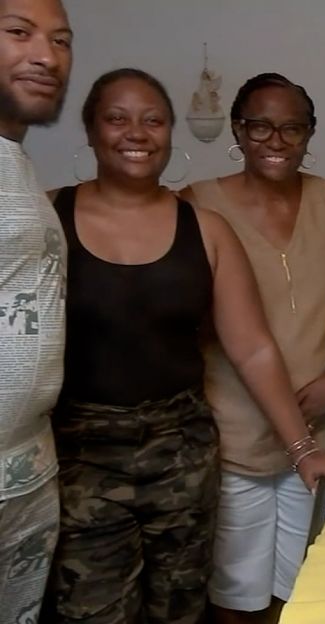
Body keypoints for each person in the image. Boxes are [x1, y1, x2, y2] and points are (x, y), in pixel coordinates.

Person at [45, 68, 325, 624]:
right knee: (91, 610)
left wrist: (302, 450)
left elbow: (252, 348)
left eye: (153, 120)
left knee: (182, 610)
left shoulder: (205, 228)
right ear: (89, 130)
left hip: (182, 452)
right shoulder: (47, 217)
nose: (137, 132)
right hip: (80, 458)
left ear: (169, 133)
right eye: (117, 118)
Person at [181, 72, 325, 624]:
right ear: (237, 130)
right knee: (233, 595)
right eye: (261, 127)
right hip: (233, 431)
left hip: (312, 425)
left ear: (310, 133)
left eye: (292, 128)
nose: (276, 141)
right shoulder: (197, 206)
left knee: (298, 593)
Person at [0, 0, 72, 621]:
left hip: (27, 469)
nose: (46, 56)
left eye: (60, 39)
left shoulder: (18, 167)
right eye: (19, 33)